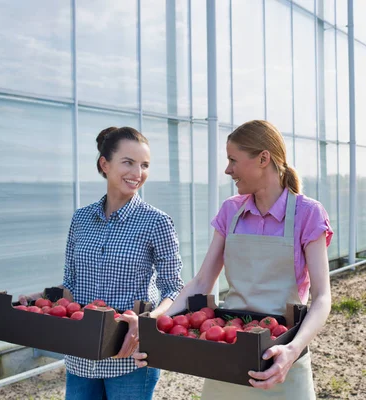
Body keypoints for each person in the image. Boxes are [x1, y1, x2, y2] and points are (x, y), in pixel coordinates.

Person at [134, 120, 333, 399]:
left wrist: (292, 350)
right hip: (228, 350)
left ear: (263, 158)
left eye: (233, 160)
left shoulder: (308, 213)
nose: (228, 170)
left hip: (280, 356)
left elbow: (323, 297)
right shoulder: (231, 211)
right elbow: (202, 281)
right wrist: (158, 325)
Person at [27, 127, 185, 399]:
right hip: (80, 354)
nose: (138, 173)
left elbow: (174, 288)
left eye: (144, 165)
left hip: (129, 353)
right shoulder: (81, 219)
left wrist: (148, 321)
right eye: (128, 162)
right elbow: (71, 283)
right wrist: (43, 297)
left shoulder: (156, 222)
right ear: (105, 164)